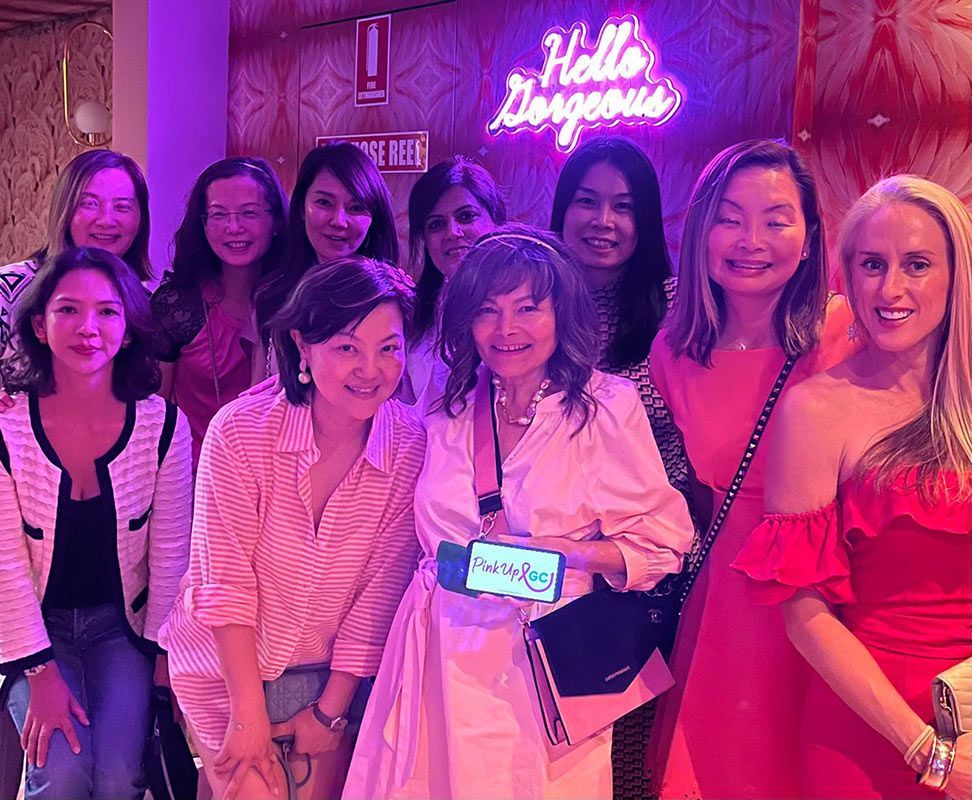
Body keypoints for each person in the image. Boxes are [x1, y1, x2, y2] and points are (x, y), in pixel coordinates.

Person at [343, 225, 694, 800]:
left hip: (548, 663)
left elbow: (663, 545)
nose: (507, 330)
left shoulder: (604, 407)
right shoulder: (446, 404)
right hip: (439, 653)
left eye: (528, 308)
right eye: (488, 311)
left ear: (562, 313)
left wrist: (566, 553)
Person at [733, 175, 971, 799]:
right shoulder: (815, 409)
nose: (890, 288)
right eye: (872, 264)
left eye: (916, 264)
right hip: (872, 734)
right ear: (847, 274)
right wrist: (927, 750)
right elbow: (804, 612)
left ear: (956, 275)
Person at [160, 256, 424, 800]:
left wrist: (330, 713)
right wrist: (247, 717)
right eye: (347, 347)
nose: (370, 369)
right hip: (222, 669)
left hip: (326, 675)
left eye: (389, 348)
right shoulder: (242, 432)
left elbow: (378, 598)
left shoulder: (410, 446)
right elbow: (225, 587)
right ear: (303, 346)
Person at [645, 139, 858, 799]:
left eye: (776, 218)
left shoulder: (846, 332)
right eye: (730, 217)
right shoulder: (675, 351)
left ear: (809, 233)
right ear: (702, 227)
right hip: (730, 598)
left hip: (833, 592)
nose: (751, 239)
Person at [0, 247, 192, 799]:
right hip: (35, 631)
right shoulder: (8, 425)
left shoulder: (162, 426)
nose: (89, 327)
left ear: (129, 329)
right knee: (60, 776)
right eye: (68, 310)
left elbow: (172, 555)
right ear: (39, 324)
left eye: (108, 312)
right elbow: (7, 570)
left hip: (121, 630)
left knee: (116, 778)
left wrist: (162, 660)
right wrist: (40, 675)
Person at [549, 135, 698, 797]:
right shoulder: (534, 304)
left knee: (627, 759)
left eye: (624, 207)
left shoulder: (678, 311)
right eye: (587, 202)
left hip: (649, 574)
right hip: (550, 570)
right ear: (561, 210)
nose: (603, 222)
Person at [151, 157, 288, 466]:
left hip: (278, 478)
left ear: (276, 221)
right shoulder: (177, 304)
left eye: (249, 213)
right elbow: (155, 412)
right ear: (203, 224)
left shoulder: (297, 300)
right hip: (193, 479)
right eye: (218, 215)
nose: (234, 227)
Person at [252, 142, 399, 370]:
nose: (339, 221)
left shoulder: (392, 300)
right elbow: (257, 392)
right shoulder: (271, 296)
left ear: (374, 218)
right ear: (301, 208)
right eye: (324, 203)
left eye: (356, 207)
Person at [0, 149, 152, 360]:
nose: (106, 220)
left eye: (122, 207)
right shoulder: (6, 289)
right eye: (89, 203)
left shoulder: (145, 304)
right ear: (65, 210)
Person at [403, 156, 506, 404]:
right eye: (436, 224)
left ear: (495, 220)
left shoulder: (529, 307)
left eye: (466, 216)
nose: (453, 232)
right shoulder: (413, 313)